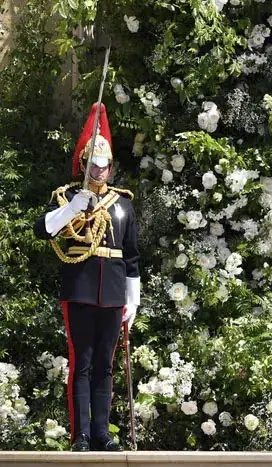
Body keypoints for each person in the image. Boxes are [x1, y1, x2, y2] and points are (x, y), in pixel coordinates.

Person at [33, 103, 140, 452]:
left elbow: (132, 256)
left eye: (105, 165)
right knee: (82, 364)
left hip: (112, 293)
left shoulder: (122, 204)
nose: (100, 170)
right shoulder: (66, 197)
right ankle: (79, 436)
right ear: (83, 164)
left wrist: (133, 298)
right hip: (79, 288)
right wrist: (72, 208)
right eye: (93, 164)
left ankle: (102, 434)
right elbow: (43, 230)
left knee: (105, 367)